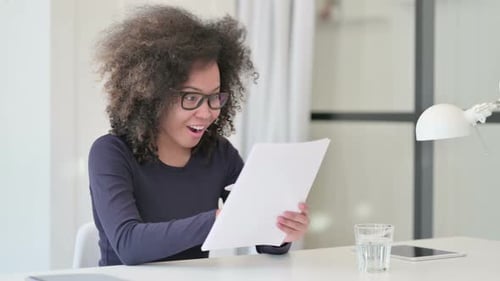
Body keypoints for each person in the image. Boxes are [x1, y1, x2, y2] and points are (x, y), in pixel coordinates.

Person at [88, 5, 310, 266]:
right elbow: (130, 245)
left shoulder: (219, 154)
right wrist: (219, 220)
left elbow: (264, 239)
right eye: (191, 97)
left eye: (214, 97)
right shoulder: (111, 153)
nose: (206, 113)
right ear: (153, 96)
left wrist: (282, 230)